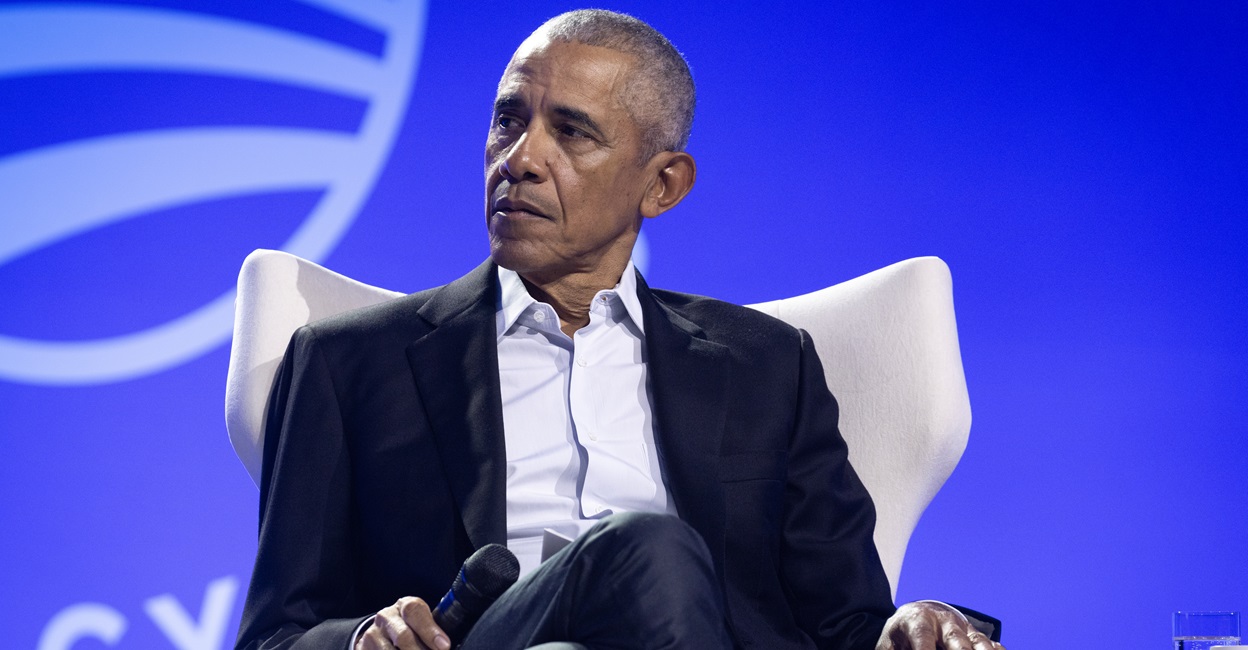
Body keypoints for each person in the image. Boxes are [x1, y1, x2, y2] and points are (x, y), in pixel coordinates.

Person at [235, 10, 1005, 650]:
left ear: (662, 184)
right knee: (649, 546)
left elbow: (846, 623)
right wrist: (364, 633)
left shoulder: (766, 365)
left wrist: (914, 627)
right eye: (508, 120)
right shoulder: (352, 362)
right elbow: (275, 635)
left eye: (571, 133)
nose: (521, 159)